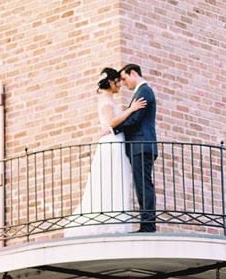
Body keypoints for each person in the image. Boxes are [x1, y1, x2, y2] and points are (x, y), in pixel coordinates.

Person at [65, 68, 147, 236]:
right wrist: (131, 109)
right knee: (111, 177)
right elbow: (111, 122)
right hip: (111, 143)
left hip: (116, 141)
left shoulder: (110, 100)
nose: (120, 86)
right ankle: (108, 221)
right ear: (110, 82)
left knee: (117, 178)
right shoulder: (106, 101)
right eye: (117, 82)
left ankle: (116, 219)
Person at [120, 63, 157, 232]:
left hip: (141, 145)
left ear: (133, 73)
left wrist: (114, 128)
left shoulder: (144, 91)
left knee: (144, 184)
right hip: (139, 146)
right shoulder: (141, 92)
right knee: (141, 184)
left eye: (124, 78)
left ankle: (148, 225)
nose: (123, 83)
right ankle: (146, 223)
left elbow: (134, 119)